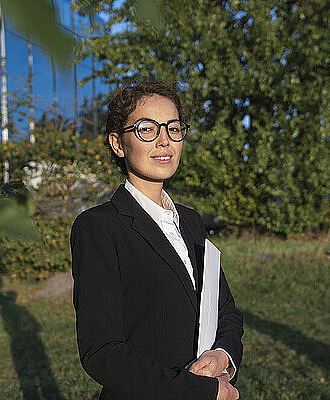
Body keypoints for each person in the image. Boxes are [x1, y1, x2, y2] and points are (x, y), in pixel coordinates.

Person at [70, 80, 243, 400]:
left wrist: (223, 356)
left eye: (174, 128)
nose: (164, 141)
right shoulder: (99, 227)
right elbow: (101, 352)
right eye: (147, 129)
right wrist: (198, 391)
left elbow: (226, 311)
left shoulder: (190, 221)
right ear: (118, 144)